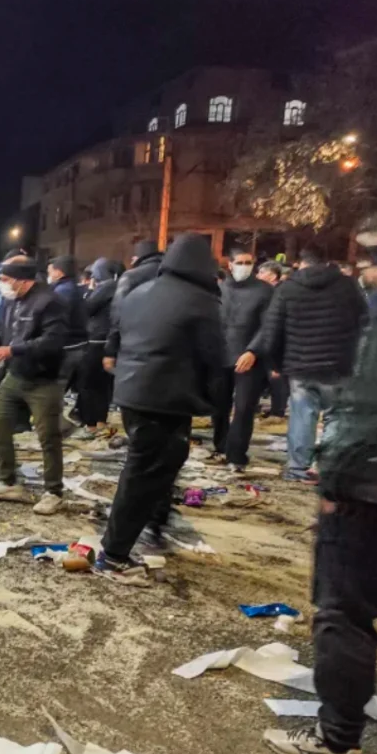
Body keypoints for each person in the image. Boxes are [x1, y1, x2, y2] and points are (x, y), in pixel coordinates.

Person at [263, 222, 377, 754]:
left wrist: (333, 481)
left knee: (343, 611)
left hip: (374, 493)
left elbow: (373, 408)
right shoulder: (363, 307)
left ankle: (337, 741)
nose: (365, 273)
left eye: (375, 263)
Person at [94, 234, 225, 580]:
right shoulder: (202, 302)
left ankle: (140, 530)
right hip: (167, 399)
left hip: (132, 393)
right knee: (144, 474)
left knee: (148, 469)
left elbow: (118, 335)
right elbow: (215, 358)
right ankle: (114, 553)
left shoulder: (139, 292)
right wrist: (216, 404)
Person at [239, 247, 366, 481]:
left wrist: (276, 364)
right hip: (338, 364)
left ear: (301, 263)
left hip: (299, 364)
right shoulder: (347, 286)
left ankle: (298, 469)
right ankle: (328, 468)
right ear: (327, 262)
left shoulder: (289, 288)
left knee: (302, 416)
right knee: (334, 418)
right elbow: (363, 321)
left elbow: (272, 329)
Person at [0, 258, 67, 515]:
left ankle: (54, 492)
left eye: (5, 280)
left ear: (23, 280)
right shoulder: (10, 299)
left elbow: (52, 341)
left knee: (48, 436)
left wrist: (12, 350)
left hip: (44, 380)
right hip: (15, 376)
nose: (2, 285)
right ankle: (8, 480)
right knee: (0, 424)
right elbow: (5, 332)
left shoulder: (51, 302)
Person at [212, 248, 274, 472]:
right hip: (220, 356)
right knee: (219, 405)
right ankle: (221, 445)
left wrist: (253, 351)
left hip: (249, 357)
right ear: (230, 264)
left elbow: (268, 325)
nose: (244, 266)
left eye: (249, 262)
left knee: (244, 407)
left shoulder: (264, 291)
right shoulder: (219, 289)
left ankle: (236, 454)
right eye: (240, 262)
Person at [103, 239, 163, 373]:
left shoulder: (131, 276)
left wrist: (110, 350)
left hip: (134, 345)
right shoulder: (171, 274)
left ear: (137, 258)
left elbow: (118, 314)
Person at [75, 257, 119, 435]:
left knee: (88, 383)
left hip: (95, 341)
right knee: (103, 385)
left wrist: (89, 291)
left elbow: (87, 308)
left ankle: (90, 423)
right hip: (110, 341)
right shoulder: (119, 287)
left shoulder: (105, 288)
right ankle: (101, 420)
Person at [46, 254, 89, 393]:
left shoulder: (62, 291)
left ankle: (53, 414)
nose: (50, 275)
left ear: (59, 272)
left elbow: (57, 320)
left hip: (68, 346)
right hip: (78, 344)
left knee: (55, 388)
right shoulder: (76, 288)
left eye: (50, 272)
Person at [255, 261, 290, 418]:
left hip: (276, 341)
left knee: (276, 377)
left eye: (261, 272)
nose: (258, 276)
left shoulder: (279, 292)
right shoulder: (266, 291)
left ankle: (278, 411)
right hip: (265, 340)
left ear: (272, 275)